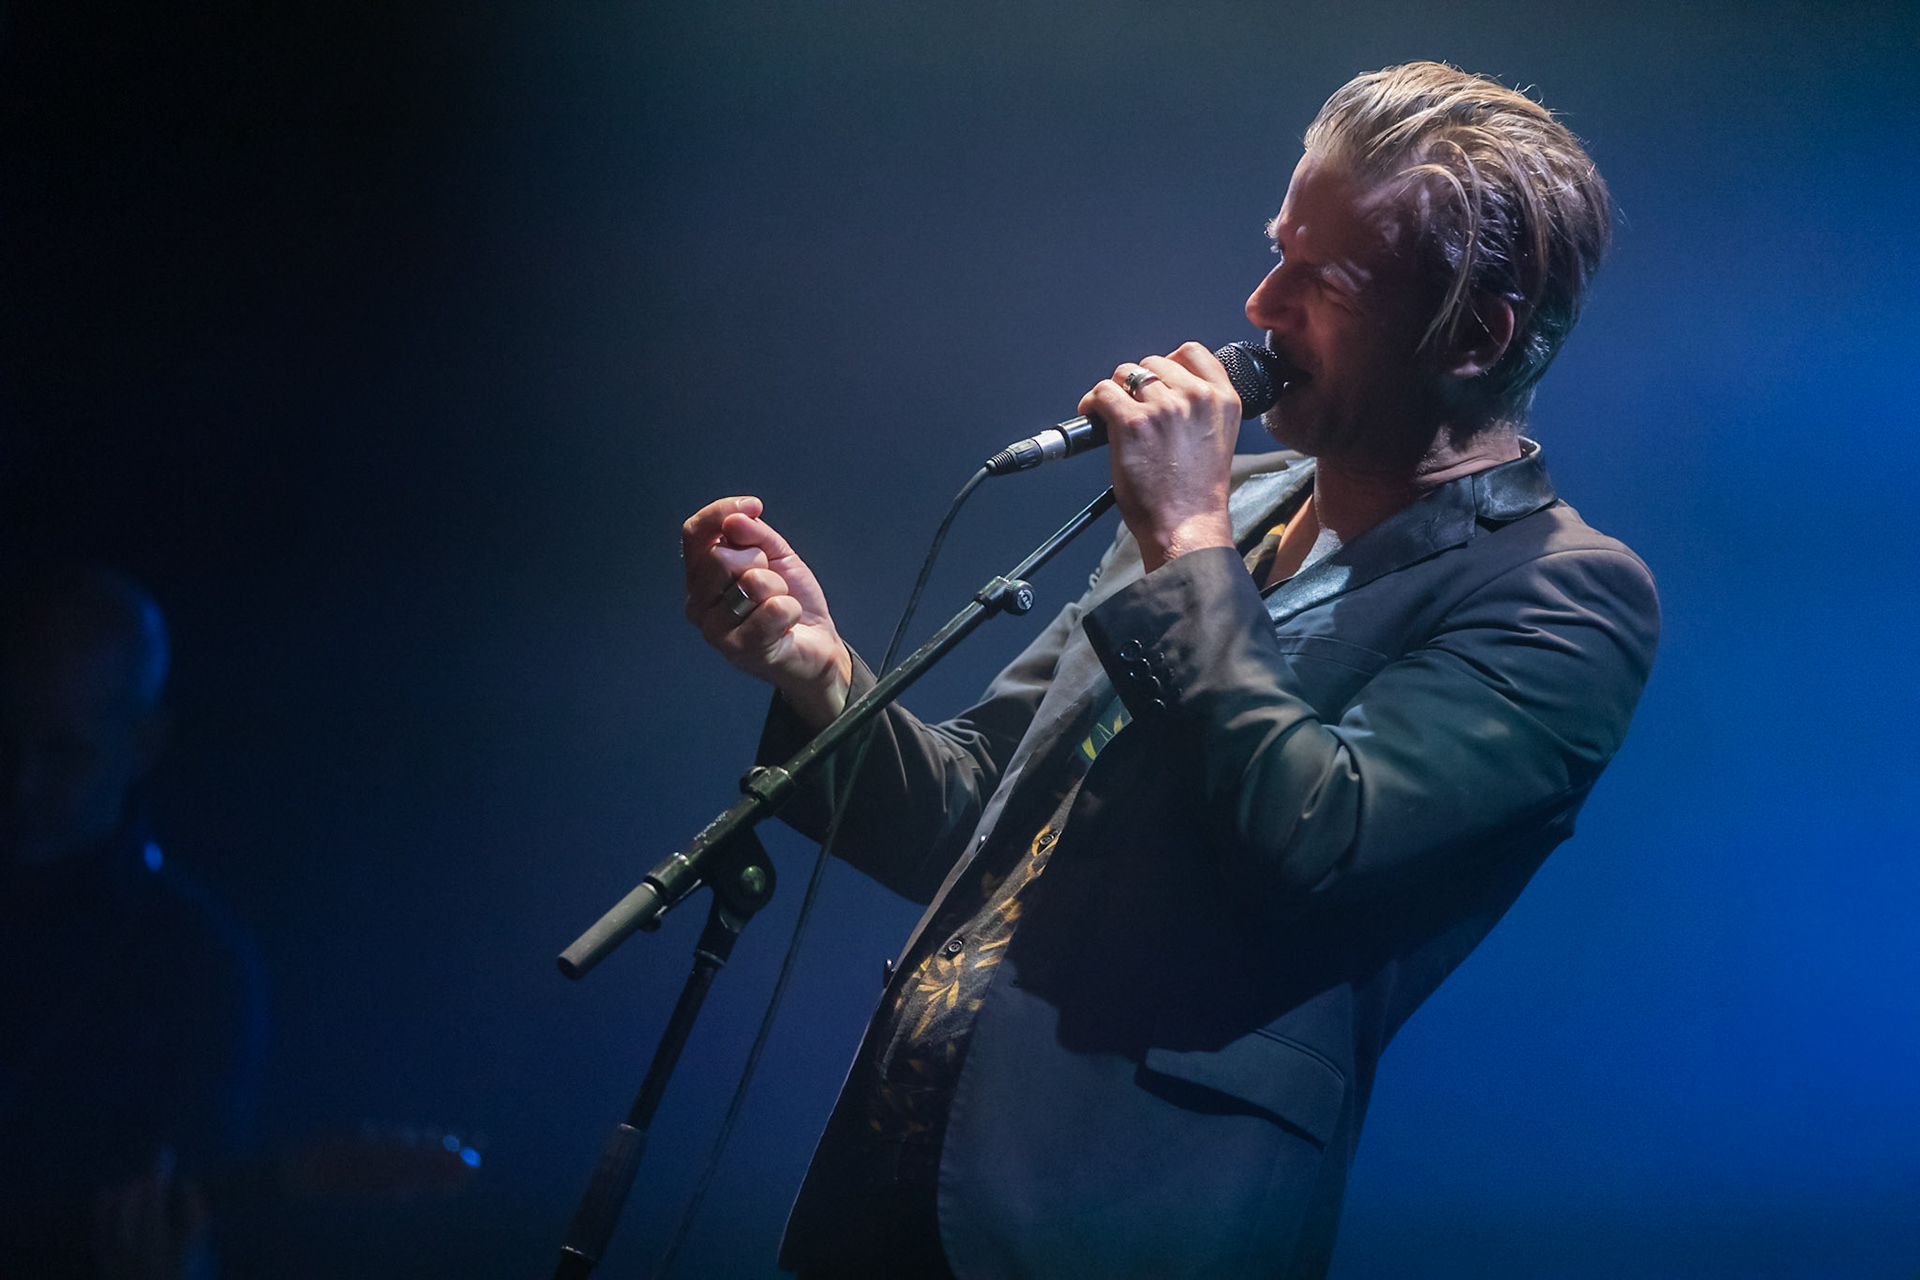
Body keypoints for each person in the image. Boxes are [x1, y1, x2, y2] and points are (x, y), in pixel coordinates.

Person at [682, 62, 1659, 1278]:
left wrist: (1186, 543)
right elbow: (974, 815)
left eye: (1322, 277)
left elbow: (1316, 837)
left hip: (1123, 1221)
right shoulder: (1232, 506)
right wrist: (817, 674)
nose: (1259, 303)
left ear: (1473, 333)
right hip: (897, 1192)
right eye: (1274, 250)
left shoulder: (1562, 593)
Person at [0, 566, 267, 1280]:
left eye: (64, 751)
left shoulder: (195, 967)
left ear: (142, 744)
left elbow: (199, 1223)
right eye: (4, 740)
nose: (21, 780)